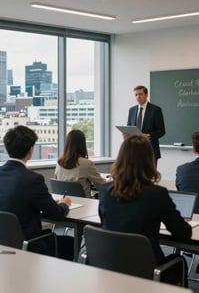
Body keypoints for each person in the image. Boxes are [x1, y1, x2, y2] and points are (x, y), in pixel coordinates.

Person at [99, 135, 191, 286]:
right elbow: (183, 233)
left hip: (111, 266)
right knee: (179, 261)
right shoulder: (157, 194)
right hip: (149, 271)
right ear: (150, 161)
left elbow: (106, 223)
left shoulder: (104, 190)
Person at [0, 125, 74, 261]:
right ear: (30, 150)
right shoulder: (32, 179)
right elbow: (56, 214)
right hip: (28, 245)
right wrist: (64, 204)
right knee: (71, 242)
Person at [55, 129, 105, 198]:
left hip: (66, 204)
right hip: (85, 204)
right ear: (82, 144)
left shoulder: (59, 163)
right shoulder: (87, 164)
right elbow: (101, 186)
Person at [126, 85, 165, 164]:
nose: (138, 97)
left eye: (140, 94)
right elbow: (129, 127)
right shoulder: (132, 110)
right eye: (136, 95)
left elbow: (161, 131)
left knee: (150, 176)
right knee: (135, 175)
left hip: (150, 150)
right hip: (134, 151)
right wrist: (126, 134)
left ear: (146, 95)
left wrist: (149, 135)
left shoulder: (155, 110)